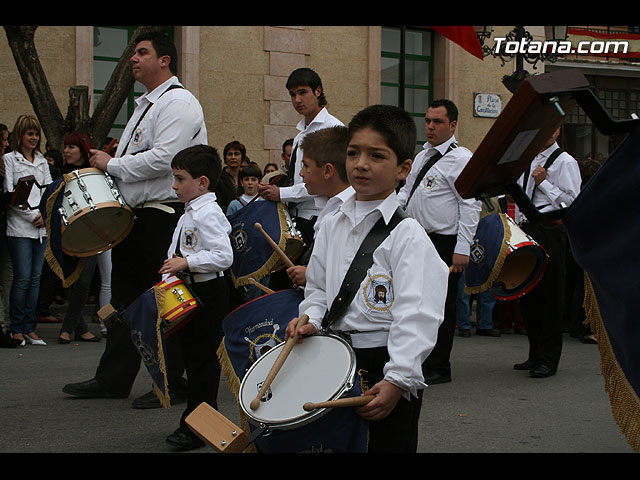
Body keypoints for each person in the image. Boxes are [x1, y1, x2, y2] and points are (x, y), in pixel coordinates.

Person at [286, 104, 448, 453]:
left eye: (377, 155)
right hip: (334, 354)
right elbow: (317, 288)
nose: (361, 164)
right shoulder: (331, 223)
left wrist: (398, 378)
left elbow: (417, 315)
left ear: (403, 168)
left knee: (388, 445)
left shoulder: (409, 236)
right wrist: (310, 319)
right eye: (354, 153)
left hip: (384, 361)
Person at [62, 31, 207, 407]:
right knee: (126, 301)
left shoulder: (179, 102)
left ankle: (175, 383)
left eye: (142, 52)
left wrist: (114, 163)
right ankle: (113, 378)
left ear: (165, 60)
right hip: (137, 217)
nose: (133, 59)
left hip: (163, 215)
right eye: (132, 53)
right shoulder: (146, 104)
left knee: (162, 300)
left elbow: (167, 158)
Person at [397, 99, 481, 384]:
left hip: (445, 243)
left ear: (453, 125)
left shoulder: (461, 159)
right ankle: (418, 358)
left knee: (441, 306)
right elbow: (405, 194)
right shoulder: (422, 156)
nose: (430, 126)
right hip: (417, 239)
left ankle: (439, 366)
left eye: (438, 122)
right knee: (414, 302)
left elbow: (470, 205)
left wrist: (462, 248)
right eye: (428, 120)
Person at [161, 145, 233, 450]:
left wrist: (186, 263)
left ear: (202, 182)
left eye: (180, 179)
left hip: (208, 292)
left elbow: (223, 256)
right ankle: (198, 420)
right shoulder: (191, 211)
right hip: (190, 290)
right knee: (193, 358)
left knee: (204, 362)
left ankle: (196, 427)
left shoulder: (208, 213)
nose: (174, 186)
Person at [513, 127, 581, 378]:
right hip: (527, 228)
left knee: (551, 294)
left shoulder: (565, 162)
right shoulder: (528, 159)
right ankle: (534, 353)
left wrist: (545, 184)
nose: (548, 133)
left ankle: (548, 359)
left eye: (553, 128)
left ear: (559, 130)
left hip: (551, 229)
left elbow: (572, 202)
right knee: (529, 293)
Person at [258, 68, 343, 247]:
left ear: (318, 91)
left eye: (303, 92)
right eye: (292, 94)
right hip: (294, 217)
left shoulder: (334, 128)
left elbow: (325, 182)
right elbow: (297, 179)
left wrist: (280, 193)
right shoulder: (300, 135)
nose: (297, 100)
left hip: (320, 217)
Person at [2, 114, 52, 346]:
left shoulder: (42, 160)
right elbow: (12, 194)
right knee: (21, 279)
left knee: (35, 279)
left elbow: (49, 192)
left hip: (41, 228)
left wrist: (45, 215)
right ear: (20, 135)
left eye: (36, 134)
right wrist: (33, 215)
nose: (34, 138)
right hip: (20, 228)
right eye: (29, 133)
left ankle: (30, 328)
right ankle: (17, 328)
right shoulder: (9, 159)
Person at [284, 125, 353, 287]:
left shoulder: (348, 215)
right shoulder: (329, 208)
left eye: (306, 165)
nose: (301, 173)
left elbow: (349, 275)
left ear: (327, 171)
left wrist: (310, 276)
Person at [56, 133, 102, 344]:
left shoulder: (96, 173)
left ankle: (68, 328)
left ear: (82, 150)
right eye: (65, 146)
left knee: (83, 282)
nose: (66, 151)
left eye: (71, 147)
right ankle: (80, 328)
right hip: (69, 234)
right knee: (73, 280)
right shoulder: (61, 173)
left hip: (92, 234)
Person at [214, 140, 247, 213]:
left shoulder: (245, 177)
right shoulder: (218, 178)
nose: (233, 157)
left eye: (236, 154)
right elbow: (217, 203)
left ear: (242, 157)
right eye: (230, 154)